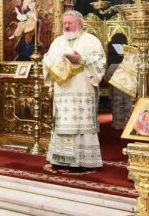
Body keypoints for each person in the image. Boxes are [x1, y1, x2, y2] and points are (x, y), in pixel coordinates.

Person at [42, 10, 106, 170]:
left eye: (70, 23)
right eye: (64, 23)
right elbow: (47, 58)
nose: (66, 26)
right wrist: (51, 62)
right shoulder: (58, 42)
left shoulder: (91, 41)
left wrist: (80, 59)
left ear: (80, 23)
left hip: (82, 89)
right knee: (63, 124)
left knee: (80, 124)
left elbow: (100, 60)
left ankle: (84, 161)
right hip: (63, 92)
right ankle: (59, 159)